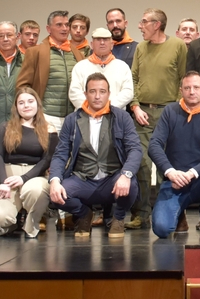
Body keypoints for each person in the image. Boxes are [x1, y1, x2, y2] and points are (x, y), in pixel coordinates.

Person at [48, 73, 142, 238]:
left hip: (112, 179)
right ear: (85, 94)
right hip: (83, 179)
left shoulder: (121, 117)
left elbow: (135, 149)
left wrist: (126, 174)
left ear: (109, 94)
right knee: (57, 195)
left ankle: (118, 217)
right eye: (92, 91)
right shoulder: (72, 120)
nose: (97, 96)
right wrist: (54, 180)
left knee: (132, 184)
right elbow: (60, 154)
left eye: (102, 91)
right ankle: (84, 214)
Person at [127, 8, 188, 230]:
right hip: (142, 113)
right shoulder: (141, 48)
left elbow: (183, 78)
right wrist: (134, 106)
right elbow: (132, 78)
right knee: (142, 164)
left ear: (157, 24)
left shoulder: (178, 46)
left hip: (168, 113)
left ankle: (168, 213)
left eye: (144, 22)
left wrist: (176, 110)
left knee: (166, 166)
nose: (140, 26)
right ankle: (142, 214)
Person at [148, 72, 200, 238]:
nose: (192, 91)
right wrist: (170, 172)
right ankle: (179, 215)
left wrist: (192, 172)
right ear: (181, 90)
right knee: (161, 230)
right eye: (187, 88)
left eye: (196, 87)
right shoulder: (170, 111)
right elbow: (154, 145)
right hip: (174, 181)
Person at [0, 87, 56, 238]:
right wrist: (4, 181)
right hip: (8, 175)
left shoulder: (49, 129)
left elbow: (47, 159)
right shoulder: (5, 127)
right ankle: (10, 223)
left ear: (37, 104)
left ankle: (31, 225)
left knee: (35, 191)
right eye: (21, 102)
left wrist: (23, 178)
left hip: (34, 175)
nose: (26, 106)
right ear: (16, 107)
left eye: (30, 101)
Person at [16, 10, 78, 132]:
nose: (64, 28)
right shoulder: (35, 52)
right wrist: (32, 113)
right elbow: (22, 86)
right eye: (59, 25)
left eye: (67, 25)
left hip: (73, 116)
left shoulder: (76, 53)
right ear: (49, 29)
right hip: (46, 116)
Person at [70, 27, 134, 111]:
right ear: (92, 44)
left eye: (106, 40)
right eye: (98, 40)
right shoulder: (80, 66)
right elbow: (74, 92)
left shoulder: (122, 66)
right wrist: (91, 108)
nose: (102, 43)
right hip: (86, 116)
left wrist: (108, 107)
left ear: (112, 45)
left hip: (115, 116)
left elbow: (128, 92)